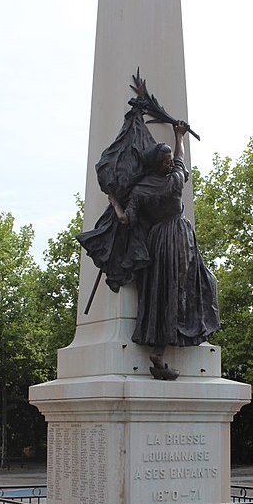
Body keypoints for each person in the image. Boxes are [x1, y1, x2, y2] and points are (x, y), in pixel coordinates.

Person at [108, 120, 220, 379]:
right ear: (157, 166)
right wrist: (179, 136)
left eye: (169, 161)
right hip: (179, 237)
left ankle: (160, 346)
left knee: (164, 291)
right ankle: (163, 348)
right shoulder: (175, 181)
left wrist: (114, 202)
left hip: (157, 240)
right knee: (183, 289)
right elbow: (181, 160)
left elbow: (126, 220)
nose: (170, 163)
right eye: (165, 161)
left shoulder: (140, 190)